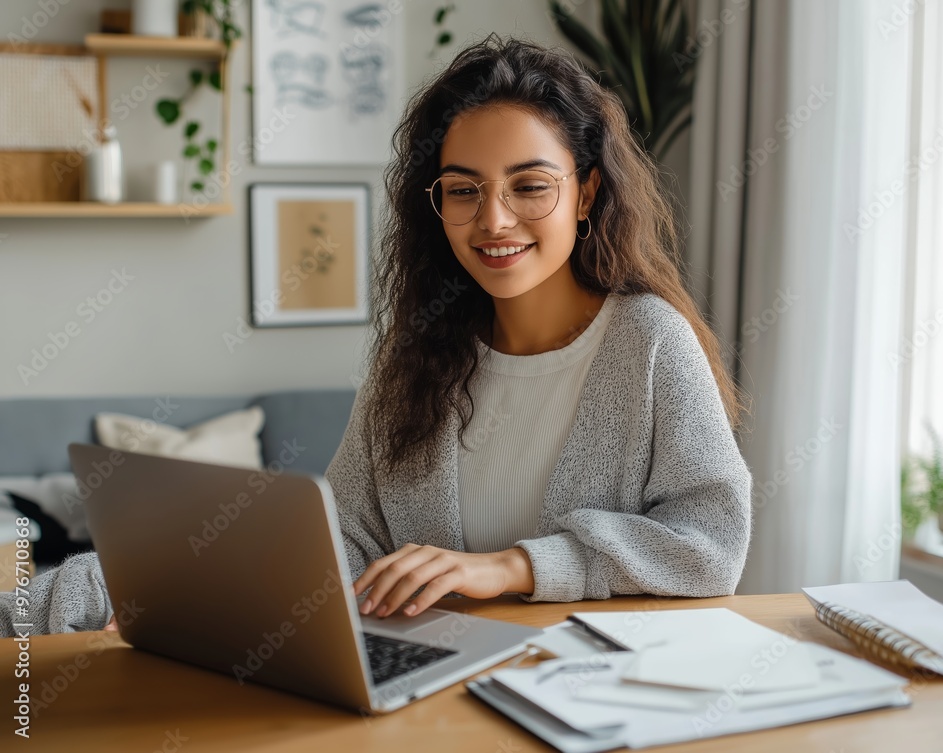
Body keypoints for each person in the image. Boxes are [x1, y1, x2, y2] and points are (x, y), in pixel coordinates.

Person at [0, 35, 751, 638]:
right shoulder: (420, 352)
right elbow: (344, 539)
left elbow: (712, 542)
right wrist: (134, 575)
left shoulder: (650, 343)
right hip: (425, 692)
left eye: (529, 185)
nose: (493, 219)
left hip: (585, 699)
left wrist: (512, 566)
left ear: (586, 190)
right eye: (464, 190)